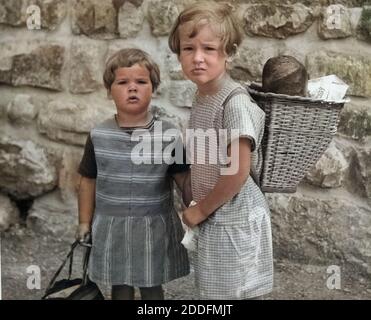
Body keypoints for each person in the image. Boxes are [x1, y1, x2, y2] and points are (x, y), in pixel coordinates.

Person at [168, 1, 273, 299]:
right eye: (188, 49)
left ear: (228, 53)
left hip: (235, 217)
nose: (197, 58)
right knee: (215, 291)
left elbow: (237, 171)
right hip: (218, 214)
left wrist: (200, 209)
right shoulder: (203, 96)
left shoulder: (234, 103)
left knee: (230, 294)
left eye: (209, 49)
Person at [75, 48, 190, 300]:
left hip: (153, 227)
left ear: (154, 88)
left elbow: (183, 178)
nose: (132, 88)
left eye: (141, 82)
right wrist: (84, 222)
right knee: (121, 284)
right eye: (123, 82)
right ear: (109, 90)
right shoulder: (98, 135)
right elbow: (87, 180)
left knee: (151, 285)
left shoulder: (169, 135)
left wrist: (199, 208)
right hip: (112, 226)